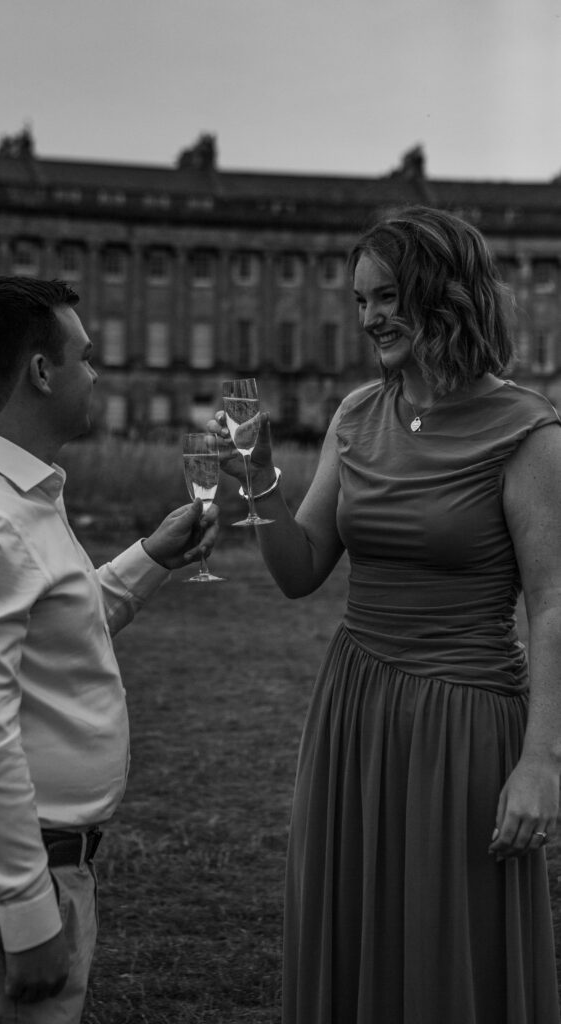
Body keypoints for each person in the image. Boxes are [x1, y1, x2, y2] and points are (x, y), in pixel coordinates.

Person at [211, 206, 561, 1023]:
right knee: (354, 930)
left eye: (386, 296)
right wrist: (258, 481)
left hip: (462, 721)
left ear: (443, 293)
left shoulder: (528, 431)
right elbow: (299, 570)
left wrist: (541, 762)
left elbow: (550, 605)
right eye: (359, 300)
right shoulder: (356, 413)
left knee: (445, 948)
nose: (368, 318)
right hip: (352, 709)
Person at [0, 276, 218, 1024]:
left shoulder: (12, 495)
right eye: (85, 357)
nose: (96, 374)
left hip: (29, 867)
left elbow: (53, 630)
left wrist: (150, 557)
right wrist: (26, 910)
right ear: (40, 371)